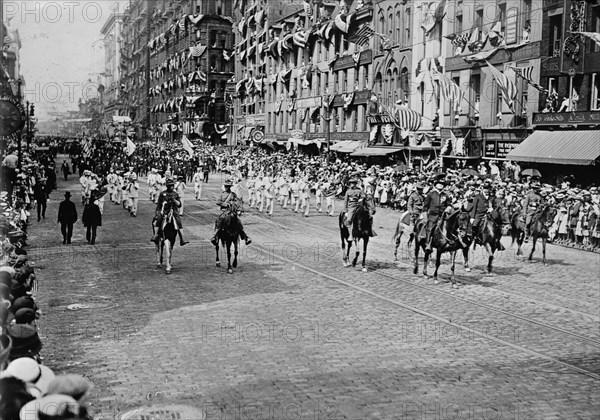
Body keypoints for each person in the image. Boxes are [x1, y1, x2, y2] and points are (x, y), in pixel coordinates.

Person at [211, 178, 252, 246]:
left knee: (238, 223)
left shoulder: (233, 194)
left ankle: (245, 237)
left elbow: (238, 202)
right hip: (224, 212)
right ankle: (215, 237)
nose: (226, 187)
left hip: (232, 211)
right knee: (219, 221)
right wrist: (225, 204)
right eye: (226, 186)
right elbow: (218, 202)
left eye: (228, 186)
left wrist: (239, 209)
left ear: (230, 187)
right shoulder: (222, 194)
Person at [151, 177, 189, 246]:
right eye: (170, 186)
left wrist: (174, 200)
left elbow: (179, 205)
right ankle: (156, 234)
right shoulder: (163, 194)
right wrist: (157, 212)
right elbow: (159, 204)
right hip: (164, 210)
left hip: (173, 211)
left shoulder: (175, 194)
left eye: (172, 185)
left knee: (178, 221)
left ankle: (182, 237)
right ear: (167, 186)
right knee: (159, 219)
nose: (172, 187)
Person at [423, 179, 446, 251]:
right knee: (430, 228)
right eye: (439, 183)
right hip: (433, 216)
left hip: (443, 216)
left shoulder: (445, 195)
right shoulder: (430, 194)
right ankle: (428, 243)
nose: (441, 185)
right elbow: (426, 206)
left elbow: (448, 204)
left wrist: (449, 207)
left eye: (442, 184)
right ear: (435, 185)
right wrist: (425, 215)